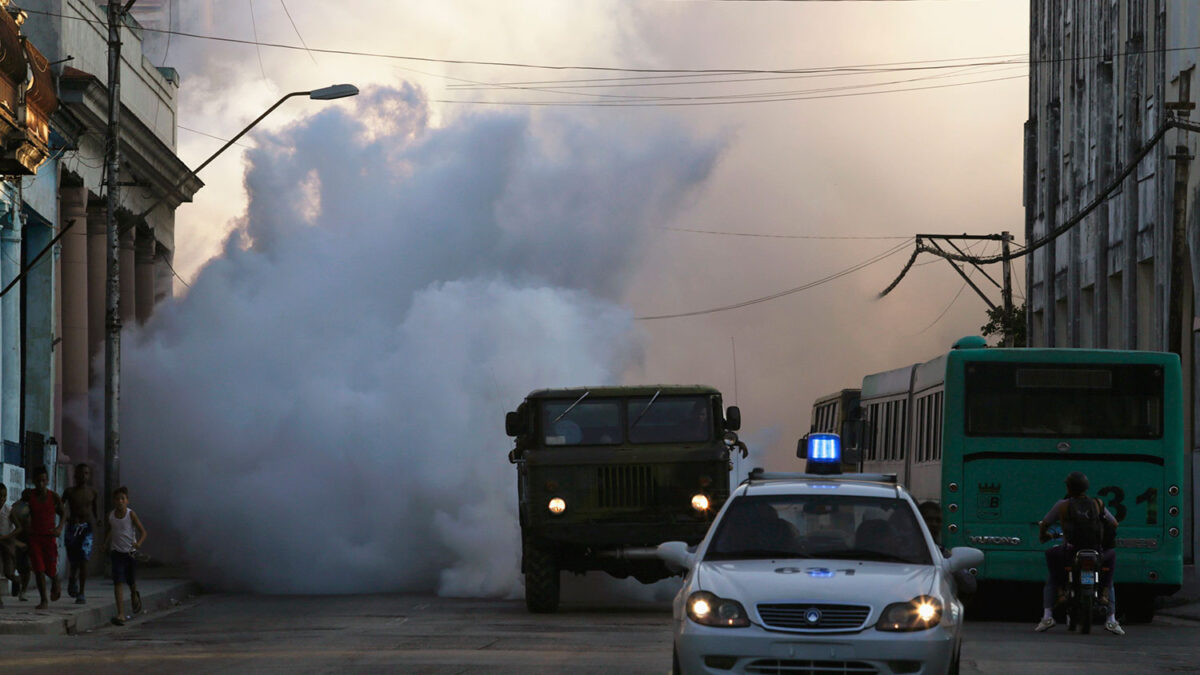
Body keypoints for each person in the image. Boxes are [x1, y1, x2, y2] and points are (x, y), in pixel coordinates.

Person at [1035, 471, 1123, 635]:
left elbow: (1044, 523)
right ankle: (1111, 618)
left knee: (1052, 568)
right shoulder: (1098, 503)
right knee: (1109, 570)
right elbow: (1115, 523)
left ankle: (1048, 615)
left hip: (1070, 551)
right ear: (1086, 487)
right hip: (1097, 551)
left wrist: (1044, 536)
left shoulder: (1062, 505)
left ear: (1068, 488)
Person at [105, 486, 147, 626]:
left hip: (130, 553)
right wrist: (105, 543)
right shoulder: (111, 516)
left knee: (131, 581)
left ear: (127, 500)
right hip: (116, 553)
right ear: (114, 501)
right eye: (117, 499)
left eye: (122, 499)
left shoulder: (131, 515)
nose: (120, 501)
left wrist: (138, 543)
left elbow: (143, 532)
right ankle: (121, 614)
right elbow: (112, 530)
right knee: (118, 582)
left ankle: (134, 594)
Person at [27, 465, 64, 609]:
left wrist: (59, 528)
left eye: (43, 481)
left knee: (50, 568)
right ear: (34, 482)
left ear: (47, 480)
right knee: (39, 569)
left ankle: (56, 580)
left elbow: (63, 512)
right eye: (38, 481)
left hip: (49, 537)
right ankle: (43, 599)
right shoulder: (30, 496)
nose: (41, 484)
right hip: (35, 537)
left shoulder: (53, 496)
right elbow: (21, 509)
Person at [62, 463, 98, 604]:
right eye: (81, 473)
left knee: (84, 560)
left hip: (86, 528)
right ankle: (72, 579)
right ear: (75, 475)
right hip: (72, 528)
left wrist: (99, 521)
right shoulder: (69, 492)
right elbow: (60, 506)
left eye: (86, 473)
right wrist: (66, 518)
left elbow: (95, 510)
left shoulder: (93, 492)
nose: (84, 476)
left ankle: (82, 592)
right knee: (74, 560)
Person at [0, 484, 22, 607]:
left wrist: (7, 537)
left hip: (7, 543)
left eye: (4, 496)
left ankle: (15, 580)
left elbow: (18, 528)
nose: (2, 499)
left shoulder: (8, 511)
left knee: (8, 572)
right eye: (0, 496)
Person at [9, 489, 31, 601]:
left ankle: (23, 591)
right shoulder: (17, 506)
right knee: (18, 565)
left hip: (30, 539)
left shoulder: (33, 505)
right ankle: (17, 582)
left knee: (27, 567)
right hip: (19, 539)